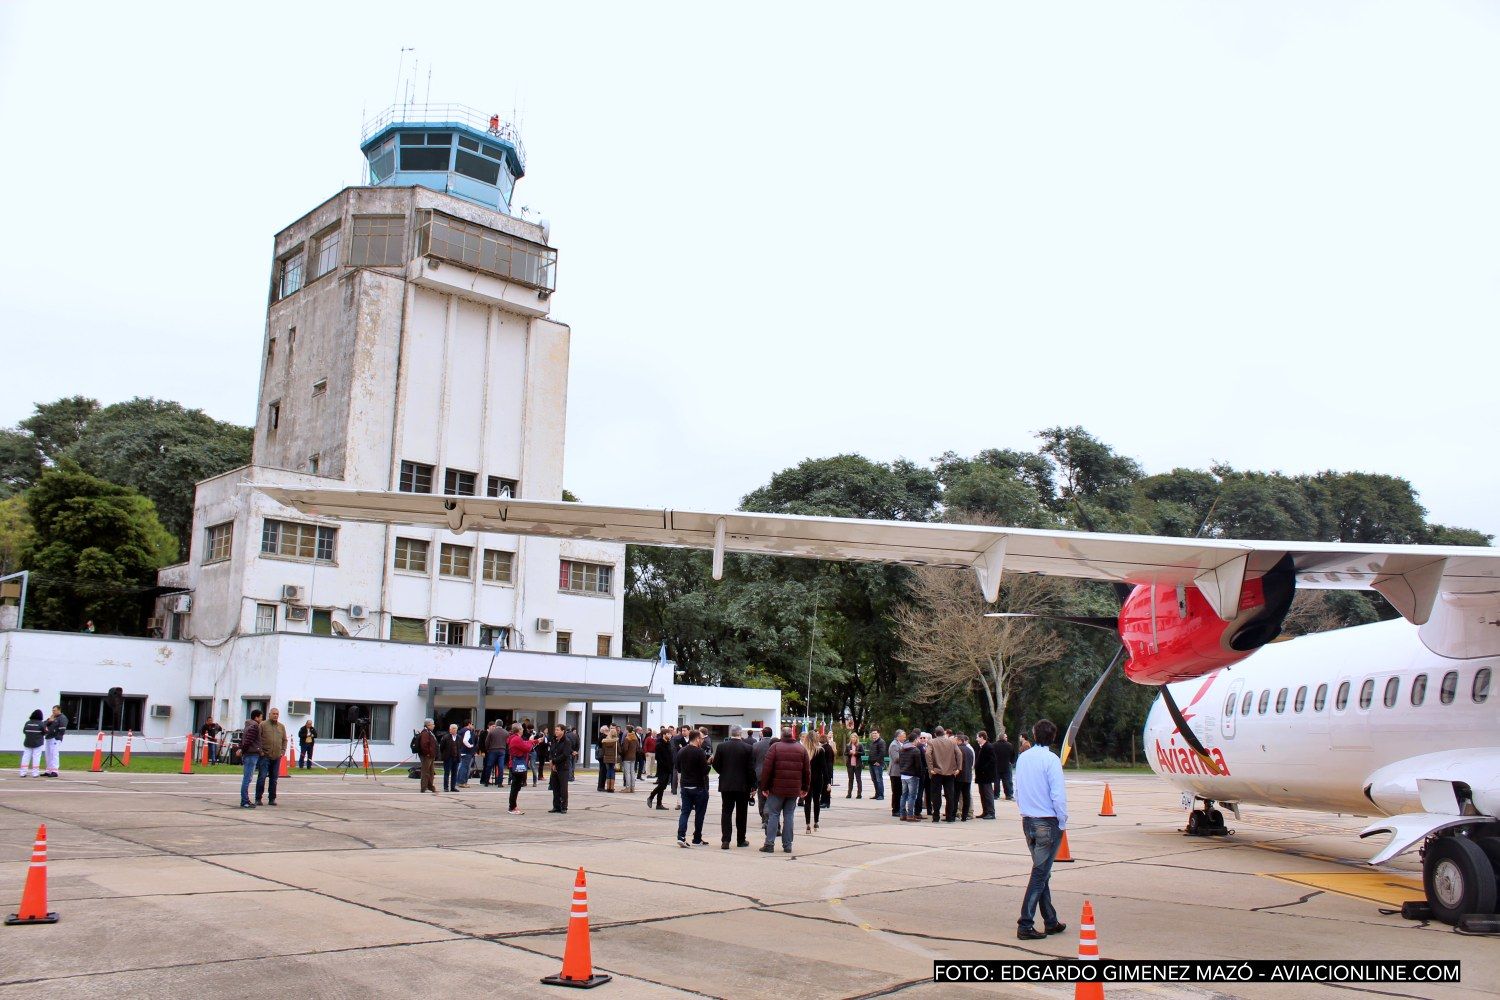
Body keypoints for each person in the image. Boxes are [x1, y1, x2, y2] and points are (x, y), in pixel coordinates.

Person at [1015, 719, 1069, 940]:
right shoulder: (1051, 760)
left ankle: (1050, 920)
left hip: (1028, 820)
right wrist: (1062, 820)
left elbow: (1018, 790)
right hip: (1047, 821)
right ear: (1053, 737)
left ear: (1035, 735)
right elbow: (1058, 795)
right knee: (1040, 874)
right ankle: (1025, 923)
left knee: (1042, 872)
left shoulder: (1023, 758)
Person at [759, 727, 810, 855]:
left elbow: (767, 769)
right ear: (792, 734)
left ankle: (769, 844)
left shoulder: (775, 747)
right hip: (793, 789)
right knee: (789, 816)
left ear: (782, 735)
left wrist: (764, 787)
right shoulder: (801, 749)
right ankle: (787, 845)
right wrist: (805, 788)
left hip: (776, 789)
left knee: (773, 815)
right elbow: (807, 771)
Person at [710, 725, 756, 849]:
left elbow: (716, 764)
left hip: (727, 784)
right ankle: (741, 840)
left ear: (731, 733)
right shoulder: (748, 748)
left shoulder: (721, 746)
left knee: (726, 812)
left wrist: (724, 773)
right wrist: (753, 785)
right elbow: (751, 769)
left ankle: (726, 840)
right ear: (740, 734)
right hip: (743, 785)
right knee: (742, 813)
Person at [675, 729, 711, 847]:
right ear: (697, 739)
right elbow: (705, 771)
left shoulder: (682, 751)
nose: (702, 741)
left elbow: (678, 768)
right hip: (699, 786)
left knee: (685, 812)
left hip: (685, 786)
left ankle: (681, 836)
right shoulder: (699, 752)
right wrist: (709, 762)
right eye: (701, 739)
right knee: (699, 814)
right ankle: (697, 838)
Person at [927, 726, 962, 823]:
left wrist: (931, 769)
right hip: (950, 772)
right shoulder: (952, 742)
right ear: (944, 733)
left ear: (935, 734)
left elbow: (927, 754)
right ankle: (950, 816)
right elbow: (959, 754)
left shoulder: (932, 742)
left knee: (936, 795)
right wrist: (958, 768)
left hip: (937, 772)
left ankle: (936, 816)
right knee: (950, 795)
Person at [506, 723, 542, 814]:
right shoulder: (517, 739)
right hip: (517, 763)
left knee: (516, 786)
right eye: (522, 729)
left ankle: (513, 806)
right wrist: (532, 741)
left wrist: (536, 741)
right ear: (519, 730)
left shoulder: (514, 738)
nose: (523, 730)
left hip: (514, 763)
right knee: (515, 786)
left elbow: (525, 744)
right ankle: (512, 807)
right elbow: (527, 748)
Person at [256, 707, 287, 806]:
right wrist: (260, 751)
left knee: (274, 779)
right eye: (273, 713)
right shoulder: (263, 725)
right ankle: (258, 798)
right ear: (269, 714)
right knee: (262, 777)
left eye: (277, 714)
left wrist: (283, 751)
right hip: (265, 756)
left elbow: (284, 740)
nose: (275, 715)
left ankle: (272, 798)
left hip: (277, 756)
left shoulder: (281, 726)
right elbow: (258, 738)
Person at [801, 732, 831, 833]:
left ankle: (807, 824)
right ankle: (816, 822)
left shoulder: (803, 750)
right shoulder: (820, 750)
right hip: (818, 779)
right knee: (816, 800)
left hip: (806, 779)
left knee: (807, 802)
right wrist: (828, 781)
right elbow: (824, 767)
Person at [239, 710, 263, 809]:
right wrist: (243, 750)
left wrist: (241, 749)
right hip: (251, 754)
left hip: (249, 754)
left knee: (247, 777)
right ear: (256, 717)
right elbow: (249, 740)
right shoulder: (254, 726)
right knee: (247, 778)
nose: (262, 719)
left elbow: (243, 739)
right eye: (261, 717)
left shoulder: (247, 726)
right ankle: (245, 801)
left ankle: (245, 800)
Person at [752, 725, 775, 823]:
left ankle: (763, 816)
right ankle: (768, 815)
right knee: (772, 796)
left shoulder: (756, 745)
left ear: (763, 734)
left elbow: (753, 761)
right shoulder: (775, 744)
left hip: (760, 774)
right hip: (773, 774)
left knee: (761, 796)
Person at [646, 727, 673, 809]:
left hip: (668, 768)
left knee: (663, 787)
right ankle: (651, 797)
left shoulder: (668, 743)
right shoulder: (659, 744)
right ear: (664, 735)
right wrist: (665, 765)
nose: (670, 735)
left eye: (670, 734)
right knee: (661, 786)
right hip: (662, 769)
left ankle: (659, 804)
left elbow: (670, 756)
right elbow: (658, 758)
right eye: (668, 734)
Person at [898, 736, 924, 821]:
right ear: (915, 740)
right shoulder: (915, 750)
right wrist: (919, 774)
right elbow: (918, 765)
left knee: (903, 795)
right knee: (912, 796)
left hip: (903, 774)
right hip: (912, 775)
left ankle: (902, 814)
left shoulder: (902, 749)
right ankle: (910, 815)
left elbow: (900, 761)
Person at [548, 724, 573, 813]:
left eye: (558, 730)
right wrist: (551, 760)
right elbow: (551, 751)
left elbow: (565, 755)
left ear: (563, 731)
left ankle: (564, 807)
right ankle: (556, 806)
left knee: (563, 788)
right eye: (555, 730)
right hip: (555, 767)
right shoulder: (554, 740)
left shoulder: (567, 741)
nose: (556, 731)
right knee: (555, 787)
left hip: (563, 767)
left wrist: (554, 761)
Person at [975, 731, 999, 819]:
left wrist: (984, 769)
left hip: (986, 776)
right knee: (982, 794)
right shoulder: (981, 747)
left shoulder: (988, 747)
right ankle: (985, 811)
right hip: (981, 776)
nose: (976, 739)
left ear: (982, 737)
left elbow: (992, 761)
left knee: (988, 794)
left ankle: (991, 812)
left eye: (977, 737)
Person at [886, 730, 907, 817]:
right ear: (898, 736)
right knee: (896, 792)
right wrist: (907, 755)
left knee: (901, 791)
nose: (905, 737)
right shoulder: (894, 745)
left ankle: (900, 808)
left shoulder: (901, 744)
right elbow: (896, 759)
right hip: (895, 772)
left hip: (901, 772)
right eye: (903, 736)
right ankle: (895, 810)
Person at [42, 705, 67, 778]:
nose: (53, 711)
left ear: (59, 710)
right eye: (52, 710)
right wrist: (49, 721)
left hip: (55, 738)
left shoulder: (62, 718)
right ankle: (48, 770)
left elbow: (62, 729)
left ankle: (55, 771)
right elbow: (43, 724)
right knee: (48, 754)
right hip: (48, 737)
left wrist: (58, 737)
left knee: (54, 754)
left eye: (54, 710)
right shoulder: (52, 717)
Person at [19, 709, 45, 777]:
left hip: (27, 742)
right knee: (36, 757)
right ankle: (35, 773)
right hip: (38, 743)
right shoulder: (41, 723)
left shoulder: (27, 722)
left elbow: (24, 731)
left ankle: (23, 772)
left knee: (26, 757)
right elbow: (45, 732)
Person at [417, 719, 439, 794]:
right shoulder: (425, 733)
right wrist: (427, 753)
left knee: (431, 772)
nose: (434, 725)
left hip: (431, 755)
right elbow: (424, 745)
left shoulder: (429, 732)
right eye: (433, 724)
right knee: (425, 772)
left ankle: (430, 786)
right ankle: (423, 787)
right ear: (428, 725)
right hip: (427, 756)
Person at [956, 733, 975, 821]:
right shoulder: (970, 750)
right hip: (967, 776)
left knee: (956, 796)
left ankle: (953, 814)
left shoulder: (958, 749)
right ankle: (965, 816)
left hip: (958, 776)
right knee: (966, 796)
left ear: (960, 740)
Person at [482, 719, 506, 787]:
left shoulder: (491, 732)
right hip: (502, 750)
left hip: (492, 750)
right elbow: (507, 742)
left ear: (496, 724)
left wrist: (487, 749)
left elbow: (487, 741)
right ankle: (499, 783)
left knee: (489, 766)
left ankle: (486, 782)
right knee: (501, 767)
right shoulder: (505, 732)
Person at [995, 731, 1017, 801]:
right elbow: (1013, 755)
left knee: (996, 782)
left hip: (996, 766)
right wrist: (1011, 762)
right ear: (1004, 738)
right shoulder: (1009, 745)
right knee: (1007, 781)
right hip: (1006, 766)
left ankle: (996, 795)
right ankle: (1008, 795)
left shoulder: (994, 745)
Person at [441, 723, 461, 792]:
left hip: (456, 758)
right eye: (453, 729)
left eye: (456, 729)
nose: (454, 730)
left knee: (454, 773)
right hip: (448, 758)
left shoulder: (459, 737)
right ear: (450, 730)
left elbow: (460, 747)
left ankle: (453, 787)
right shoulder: (446, 737)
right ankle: (446, 787)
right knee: (447, 773)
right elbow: (442, 747)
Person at [867, 728, 886, 801]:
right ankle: (877, 794)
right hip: (871, 763)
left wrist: (878, 761)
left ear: (879, 734)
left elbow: (882, 752)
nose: (874, 734)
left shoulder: (881, 742)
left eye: (875, 733)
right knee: (874, 779)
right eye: (873, 733)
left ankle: (881, 795)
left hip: (877, 764)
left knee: (879, 779)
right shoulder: (873, 742)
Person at [457, 720, 477, 787]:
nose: (473, 726)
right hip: (467, 751)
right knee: (465, 767)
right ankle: (462, 782)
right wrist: (471, 746)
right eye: (472, 724)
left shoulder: (461, 731)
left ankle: (459, 781)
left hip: (461, 751)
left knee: (462, 767)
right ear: (469, 724)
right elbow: (465, 740)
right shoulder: (467, 731)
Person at [599, 726, 619, 792]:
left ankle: (608, 787)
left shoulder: (605, 741)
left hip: (606, 758)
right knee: (612, 771)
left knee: (608, 771)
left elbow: (603, 750)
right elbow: (619, 750)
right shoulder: (616, 741)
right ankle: (612, 788)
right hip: (613, 758)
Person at [620, 725, 639, 793]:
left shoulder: (627, 738)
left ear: (627, 730)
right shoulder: (635, 738)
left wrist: (622, 753)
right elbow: (638, 748)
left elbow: (625, 749)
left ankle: (628, 787)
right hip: (633, 757)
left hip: (627, 757)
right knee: (632, 772)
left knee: (627, 773)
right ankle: (632, 787)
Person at [844, 732, 863, 798]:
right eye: (852, 737)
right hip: (850, 765)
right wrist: (850, 752)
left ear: (856, 738)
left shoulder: (859, 745)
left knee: (858, 779)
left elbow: (863, 753)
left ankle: (859, 794)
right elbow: (845, 753)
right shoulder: (848, 745)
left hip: (857, 765)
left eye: (854, 737)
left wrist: (856, 753)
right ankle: (849, 793)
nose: (853, 738)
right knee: (850, 779)